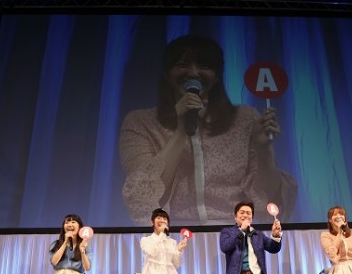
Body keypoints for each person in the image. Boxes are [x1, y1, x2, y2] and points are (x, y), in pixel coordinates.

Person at [119, 34, 297, 226]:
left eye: (204, 66)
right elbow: (143, 196)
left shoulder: (246, 118)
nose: (193, 73)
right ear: (167, 74)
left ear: (217, 76)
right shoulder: (140, 122)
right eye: (182, 65)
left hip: (236, 231)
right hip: (171, 232)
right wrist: (181, 130)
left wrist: (263, 152)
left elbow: (269, 197)